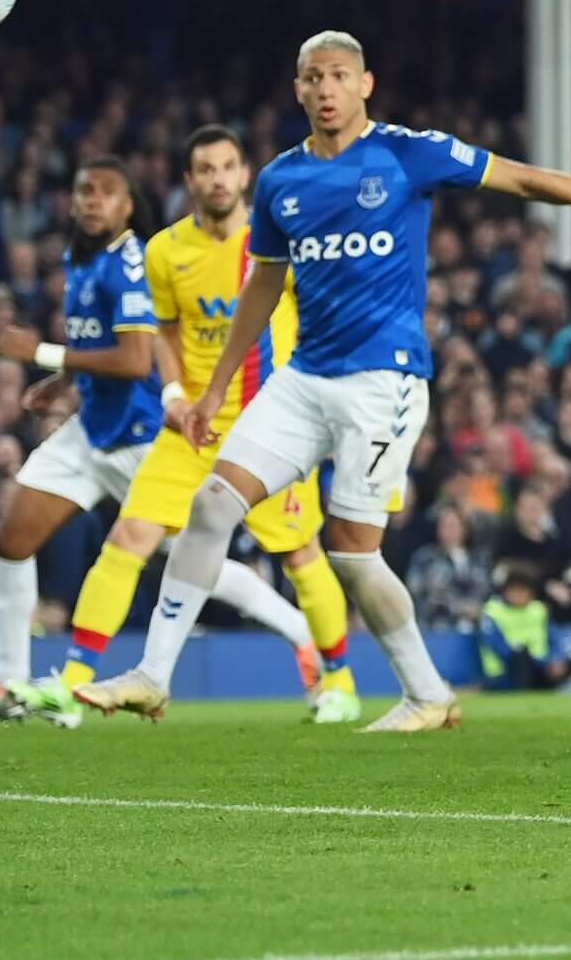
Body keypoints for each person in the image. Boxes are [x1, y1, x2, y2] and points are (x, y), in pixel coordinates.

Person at [73, 30, 571, 731]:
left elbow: (523, 178)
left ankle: (426, 691)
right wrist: (217, 386)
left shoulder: (409, 151)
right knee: (214, 505)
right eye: (314, 77)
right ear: (298, 89)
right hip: (304, 377)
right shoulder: (281, 179)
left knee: (350, 551)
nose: (327, 88)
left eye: (340, 75)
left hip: (384, 383)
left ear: (366, 84)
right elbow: (263, 286)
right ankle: (153, 676)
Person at [0, 158, 309, 724]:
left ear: (127, 206)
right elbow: (103, 342)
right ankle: (8, 682)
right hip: (90, 431)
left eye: (105, 193)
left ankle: (301, 633)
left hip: (144, 439)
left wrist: (42, 354)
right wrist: (63, 381)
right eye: (83, 190)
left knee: (191, 555)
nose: (91, 200)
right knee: (11, 538)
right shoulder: (80, 258)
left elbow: (137, 358)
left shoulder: (132, 263)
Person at [18, 125, 356, 728]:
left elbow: (321, 321)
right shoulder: (165, 251)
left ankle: (339, 682)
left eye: (227, 167)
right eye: (205, 169)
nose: (217, 179)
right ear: (189, 180)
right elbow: (166, 333)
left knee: (301, 554)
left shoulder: (281, 242)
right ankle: (72, 681)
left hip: (270, 427)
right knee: (127, 538)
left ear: (244, 174)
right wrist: (174, 394)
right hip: (192, 428)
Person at [480, 562, 571, 691]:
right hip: (507, 676)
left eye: (523, 590)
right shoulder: (492, 611)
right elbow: (502, 650)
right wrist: (544, 664)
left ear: (531, 592)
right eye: (514, 590)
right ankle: (523, 701)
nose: (518, 594)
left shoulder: (539, 610)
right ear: (505, 591)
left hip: (545, 672)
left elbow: (554, 639)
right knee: (521, 654)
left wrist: (556, 660)